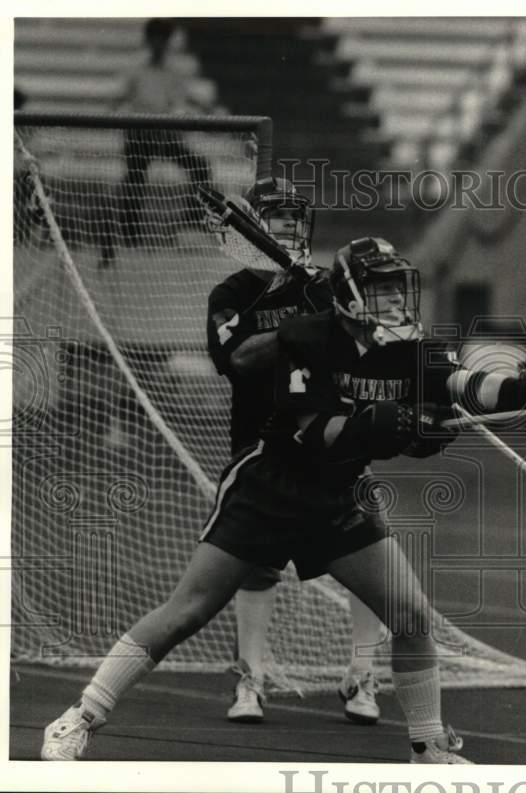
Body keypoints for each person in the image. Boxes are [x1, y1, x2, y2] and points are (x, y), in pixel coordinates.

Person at [41, 234, 526, 763]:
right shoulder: (307, 338)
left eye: (399, 287)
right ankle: (79, 718)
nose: (396, 300)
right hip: (271, 487)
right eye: (381, 288)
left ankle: (429, 749)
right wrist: (393, 423)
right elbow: (315, 431)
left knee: (409, 615)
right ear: (350, 295)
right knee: (188, 610)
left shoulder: (410, 347)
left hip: (337, 495)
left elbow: (470, 386)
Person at [206, 176, 385, 725]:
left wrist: (344, 316)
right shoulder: (233, 294)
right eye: (277, 217)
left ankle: (362, 672)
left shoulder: (325, 287)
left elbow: (365, 356)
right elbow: (239, 360)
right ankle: (251, 678)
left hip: (331, 445)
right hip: (261, 450)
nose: (289, 227)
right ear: (254, 226)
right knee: (256, 568)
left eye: (294, 217)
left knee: (373, 557)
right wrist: (304, 322)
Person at [103, 18, 214, 263]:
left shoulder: (175, 71)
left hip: (165, 135)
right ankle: (131, 238)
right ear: (148, 40)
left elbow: (184, 99)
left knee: (200, 166)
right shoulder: (134, 68)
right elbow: (116, 99)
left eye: (164, 41)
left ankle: (191, 223)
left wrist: (205, 109)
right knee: (134, 180)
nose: (160, 45)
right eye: (156, 40)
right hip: (140, 134)